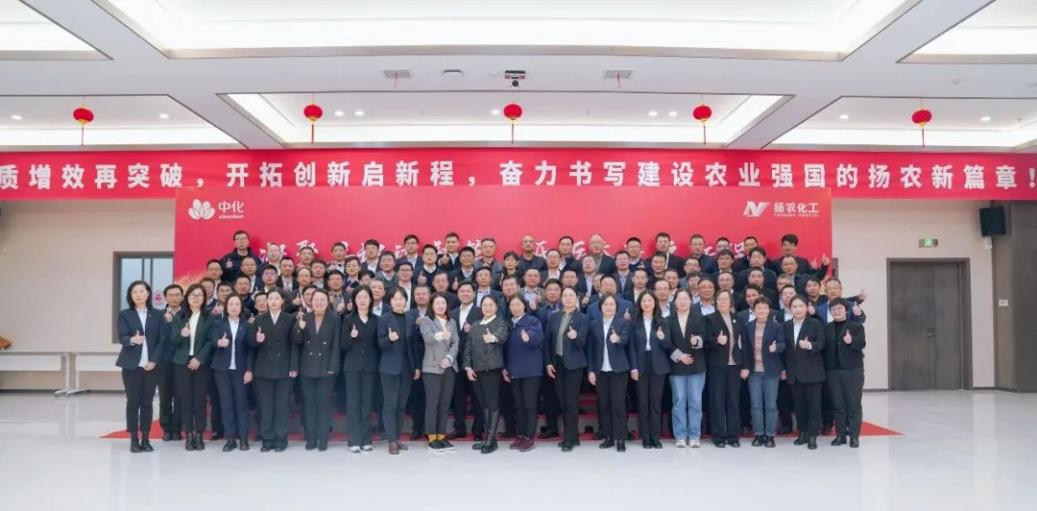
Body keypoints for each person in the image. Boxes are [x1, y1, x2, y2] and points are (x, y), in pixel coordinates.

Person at [115, 280, 167, 453]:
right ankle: (133, 439)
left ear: (148, 293)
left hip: (151, 366)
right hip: (131, 366)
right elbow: (122, 336)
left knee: (147, 402)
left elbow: (162, 340)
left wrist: (154, 360)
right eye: (134, 292)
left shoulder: (157, 315)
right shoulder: (125, 314)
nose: (138, 294)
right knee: (132, 402)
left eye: (141, 291)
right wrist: (132, 340)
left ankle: (145, 437)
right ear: (130, 295)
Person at [249, 289, 299, 453]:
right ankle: (267, 438)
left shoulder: (289, 319)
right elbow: (251, 344)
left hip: (284, 367)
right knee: (266, 406)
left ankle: (281, 438)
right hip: (263, 368)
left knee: (282, 405)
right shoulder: (259, 319)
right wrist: (256, 340)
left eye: (276, 298)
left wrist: (294, 366)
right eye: (270, 298)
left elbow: (294, 343)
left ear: (283, 301)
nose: (273, 301)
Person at [293, 288, 341, 451]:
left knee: (324, 403)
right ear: (310, 301)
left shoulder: (334, 319)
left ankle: (323, 438)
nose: (319, 303)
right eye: (316, 300)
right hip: (307, 367)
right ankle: (311, 437)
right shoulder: (304, 317)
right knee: (309, 403)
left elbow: (336, 345)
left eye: (322, 300)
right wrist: (299, 328)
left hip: (326, 368)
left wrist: (333, 366)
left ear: (328, 302)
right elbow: (296, 342)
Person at [544, 286, 589, 452]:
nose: (568, 298)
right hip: (558, 364)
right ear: (561, 298)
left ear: (576, 298)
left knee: (571, 402)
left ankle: (569, 438)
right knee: (562, 400)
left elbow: (583, 343)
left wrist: (575, 337)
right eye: (565, 295)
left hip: (574, 365)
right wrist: (548, 362)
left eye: (571, 295)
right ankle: (573, 436)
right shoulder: (554, 317)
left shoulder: (583, 318)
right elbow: (548, 341)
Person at [169, 283, 213, 451]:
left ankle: (199, 435)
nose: (196, 298)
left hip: (201, 363)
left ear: (204, 298)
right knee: (185, 400)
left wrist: (199, 359)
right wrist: (181, 335)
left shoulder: (210, 317)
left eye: (199, 295)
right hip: (182, 362)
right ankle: (188, 434)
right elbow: (172, 341)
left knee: (200, 400)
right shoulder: (179, 317)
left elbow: (211, 341)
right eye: (193, 295)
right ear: (187, 298)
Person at [588, 293, 633, 452]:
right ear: (600, 307)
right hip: (600, 370)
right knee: (605, 405)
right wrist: (591, 370)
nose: (608, 307)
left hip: (618, 370)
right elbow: (590, 349)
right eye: (605, 304)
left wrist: (618, 339)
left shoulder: (623, 322)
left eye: (611, 304)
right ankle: (608, 437)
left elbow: (626, 341)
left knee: (618, 405)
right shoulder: (594, 324)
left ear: (616, 307)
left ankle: (620, 438)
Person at [464, 295, 509, 454]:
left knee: (492, 404)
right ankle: (488, 439)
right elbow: (468, 347)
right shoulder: (476, 325)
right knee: (484, 404)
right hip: (477, 370)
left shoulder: (500, 322)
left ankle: (490, 439)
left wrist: (493, 338)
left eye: (491, 305)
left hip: (492, 370)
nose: (487, 308)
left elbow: (502, 336)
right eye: (485, 305)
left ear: (496, 307)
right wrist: (468, 367)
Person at [378, 288, 421, 455]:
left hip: (407, 367)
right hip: (389, 367)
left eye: (401, 299)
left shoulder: (410, 319)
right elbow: (380, 344)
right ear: (390, 301)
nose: (398, 302)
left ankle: (397, 438)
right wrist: (389, 339)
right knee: (390, 405)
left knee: (401, 405)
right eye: (395, 299)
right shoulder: (384, 319)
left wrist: (416, 366)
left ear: (405, 301)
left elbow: (414, 346)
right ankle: (391, 441)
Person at [209, 294, 253, 452]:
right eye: (231, 304)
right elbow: (212, 341)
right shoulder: (218, 324)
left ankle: (243, 438)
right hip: (222, 370)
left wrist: (249, 370)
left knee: (241, 404)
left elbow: (251, 350)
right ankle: (230, 439)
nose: (234, 307)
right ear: (226, 307)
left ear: (241, 307)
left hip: (241, 370)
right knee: (226, 404)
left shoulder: (247, 326)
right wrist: (218, 342)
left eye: (237, 304)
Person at [417, 293, 460, 451]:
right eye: (437, 303)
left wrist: (449, 358)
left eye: (443, 303)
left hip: (449, 366)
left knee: (445, 403)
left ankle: (441, 436)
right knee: (432, 403)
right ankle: (432, 437)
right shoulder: (426, 321)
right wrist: (441, 334)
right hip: (432, 367)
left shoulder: (452, 322)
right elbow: (427, 338)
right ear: (432, 306)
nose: (441, 306)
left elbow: (456, 342)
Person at [740, 297, 786, 448]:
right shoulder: (748, 326)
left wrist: (776, 348)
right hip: (754, 372)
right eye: (758, 308)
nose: (761, 311)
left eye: (764, 308)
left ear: (769, 310)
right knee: (755, 404)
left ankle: (770, 435)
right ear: (754, 310)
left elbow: (783, 344)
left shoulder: (777, 326)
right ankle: (759, 434)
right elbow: (745, 349)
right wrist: (745, 367)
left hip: (771, 371)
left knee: (771, 404)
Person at [783, 295, 827, 450]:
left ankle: (813, 435)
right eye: (794, 306)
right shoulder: (786, 325)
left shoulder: (815, 323)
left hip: (812, 372)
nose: (798, 309)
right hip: (794, 373)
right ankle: (802, 432)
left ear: (807, 307)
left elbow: (822, 342)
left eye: (800, 306)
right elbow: (785, 351)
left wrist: (810, 346)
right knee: (799, 406)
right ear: (790, 309)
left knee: (813, 406)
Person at [667, 289, 708, 448]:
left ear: (691, 301)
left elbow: (705, 337)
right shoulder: (668, 320)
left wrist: (697, 340)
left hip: (696, 365)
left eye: (686, 298)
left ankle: (694, 435)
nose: (683, 301)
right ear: (675, 301)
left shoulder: (699, 318)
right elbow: (667, 343)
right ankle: (680, 435)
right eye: (680, 299)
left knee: (695, 402)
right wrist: (680, 356)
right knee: (678, 402)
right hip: (677, 366)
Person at [503, 294, 544, 452]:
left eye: (518, 304)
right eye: (512, 305)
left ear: (524, 306)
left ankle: (529, 437)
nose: (515, 308)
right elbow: (504, 349)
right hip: (514, 370)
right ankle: (520, 435)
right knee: (519, 405)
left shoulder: (532, 321)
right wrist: (504, 367)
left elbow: (538, 338)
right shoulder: (508, 324)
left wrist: (529, 338)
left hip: (531, 371)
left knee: (529, 404)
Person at [629, 291, 670, 449]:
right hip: (640, 363)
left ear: (655, 303)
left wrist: (662, 337)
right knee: (643, 402)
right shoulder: (634, 322)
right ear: (640, 304)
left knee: (655, 403)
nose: (647, 303)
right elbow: (631, 347)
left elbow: (668, 344)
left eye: (650, 301)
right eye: (644, 301)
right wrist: (633, 367)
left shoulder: (662, 321)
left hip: (658, 364)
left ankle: (655, 437)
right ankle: (645, 438)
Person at [341, 286, 379, 453]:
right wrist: (351, 337)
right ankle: (354, 440)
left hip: (370, 367)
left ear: (370, 300)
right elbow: (343, 346)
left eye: (365, 297)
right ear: (354, 301)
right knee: (353, 403)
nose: (362, 300)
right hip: (352, 367)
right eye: (359, 298)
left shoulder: (376, 320)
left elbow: (378, 345)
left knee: (366, 403)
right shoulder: (348, 319)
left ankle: (366, 439)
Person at [824, 298, 866, 448]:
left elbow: (862, 344)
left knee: (854, 405)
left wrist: (851, 341)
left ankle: (854, 436)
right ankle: (840, 436)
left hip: (852, 370)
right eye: (833, 309)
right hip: (833, 372)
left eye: (839, 308)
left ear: (846, 310)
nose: (836, 311)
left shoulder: (856, 326)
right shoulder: (826, 328)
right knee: (838, 405)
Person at [704, 289, 744, 448]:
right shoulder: (709, 319)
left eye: (726, 299)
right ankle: (718, 436)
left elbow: (744, 343)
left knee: (733, 401)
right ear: (716, 301)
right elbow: (705, 341)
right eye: (720, 299)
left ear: (730, 301)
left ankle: (733, 436)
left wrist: (745, 365)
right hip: (717, 366)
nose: (723, 302)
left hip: (735, 365)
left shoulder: (737, 318)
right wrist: (716, 341)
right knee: (717, 401)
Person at [158, 284, 184, 442]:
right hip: (164, 363)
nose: (174, 298)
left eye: (177, 294)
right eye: (171, 295)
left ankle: (177, 429)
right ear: (166, 297)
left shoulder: (187, 314)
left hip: (181, 361)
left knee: (180, 397)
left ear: (182, 296)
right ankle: (166, 429)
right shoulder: (159, 315)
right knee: (165, 397)